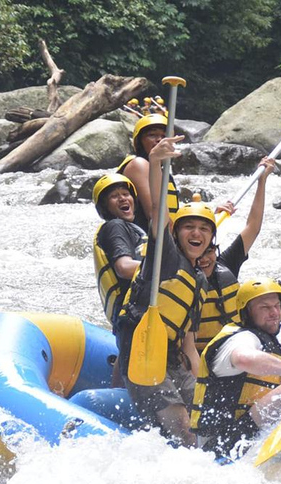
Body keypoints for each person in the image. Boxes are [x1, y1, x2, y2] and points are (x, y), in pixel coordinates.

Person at [116, 134, 211, 447]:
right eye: (189, 227)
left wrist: (202, 386)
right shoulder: (166, 255)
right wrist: (156, 162)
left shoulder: (199, 281)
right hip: (143, 349)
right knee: (183, 430)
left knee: (203, 423)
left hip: (172, 357)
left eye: (204, 230)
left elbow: (189, 345)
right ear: (177, 232)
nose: (196, 234)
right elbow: (158, 209)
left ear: (210, 239)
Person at [190, 277, 281, 457]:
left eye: (277, 306)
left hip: (242, 431)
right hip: (220, 442)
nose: (274, 313)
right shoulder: (242, 337)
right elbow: (243, 359)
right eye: (265, 307)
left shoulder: (265, 340)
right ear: (247, 312)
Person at [194, 157, 276, 354]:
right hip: (195, 355)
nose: (205, 259)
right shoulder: (179, 270)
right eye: (199, 254)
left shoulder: (225, 265)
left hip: (231, 351)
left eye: (209, 252)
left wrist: (261, 181)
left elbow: (253, 228)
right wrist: (209, 218)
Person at [91, 173, 147, 330]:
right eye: (114, 196)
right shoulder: (115, 226)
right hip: (132, 315)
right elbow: (124, 267)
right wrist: (169, 271)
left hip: (133, 314)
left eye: (125, 194)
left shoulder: (134, 230)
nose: (123, 198)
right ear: (105, 207)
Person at [117, 114, 179, 232]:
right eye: (152, 135)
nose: (160, 140)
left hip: (164, 243)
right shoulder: (138, 165)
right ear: (140, 142)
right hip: (143, 244)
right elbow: (157, 219)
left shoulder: (165, 174)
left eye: (165, 136)